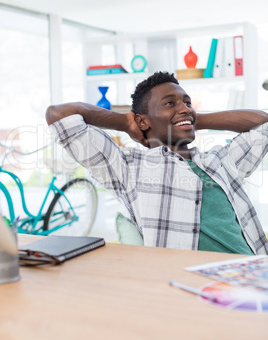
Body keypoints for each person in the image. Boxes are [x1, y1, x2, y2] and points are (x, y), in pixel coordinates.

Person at [46, 71, 268, 255]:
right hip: (191, 284)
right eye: (170, 103)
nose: (184, 107)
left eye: (187, 103)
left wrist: (191, 119)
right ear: (143, 120)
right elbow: (60, 115)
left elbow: (264, 124)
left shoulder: (220, 162)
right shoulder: (127, 168)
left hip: (251, 274)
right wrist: (125, 122)